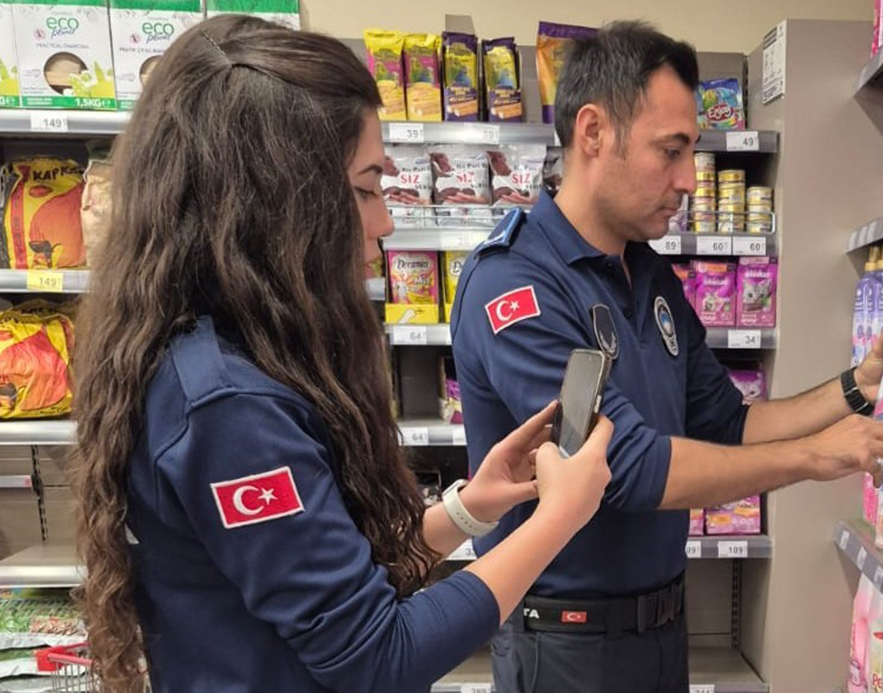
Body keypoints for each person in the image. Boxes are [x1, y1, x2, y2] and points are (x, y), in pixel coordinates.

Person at [70, 16, 611, 693]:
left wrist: (473, 508)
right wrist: (561, 517)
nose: (385, 220)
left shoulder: (238, 353)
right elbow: (374, 656)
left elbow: (335, 591)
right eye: (365, 187)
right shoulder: (228, 406)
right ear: (275, 200)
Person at [450, 21, 883, 693]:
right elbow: (627, 470)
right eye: (670, 151)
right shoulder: (516, 283)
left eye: (692, 152)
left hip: (662, 631)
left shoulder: (650, 277)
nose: (690, 180)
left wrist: (852, 389)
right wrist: (815, 458)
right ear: (592, 133)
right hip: (565, 648)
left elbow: (726, 421)